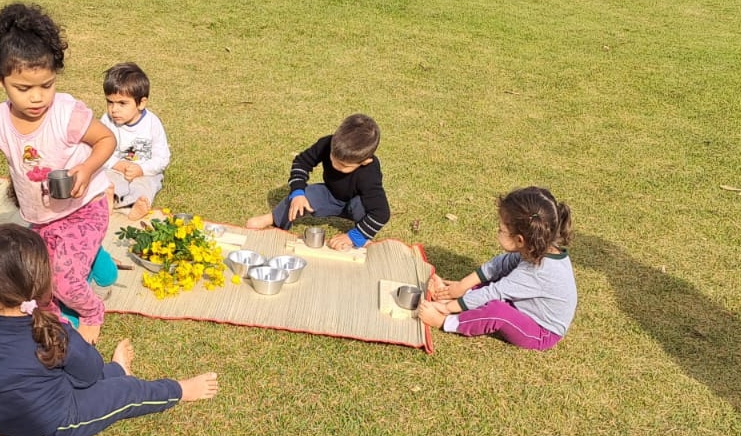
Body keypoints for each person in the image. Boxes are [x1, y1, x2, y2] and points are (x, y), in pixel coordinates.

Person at [0, 225, 218, 436]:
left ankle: (118, 370)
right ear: (42, 283)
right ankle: (179, 390)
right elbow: (89, 374)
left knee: (57, 374)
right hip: (53, 427)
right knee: (126, 392)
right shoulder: (53, 329)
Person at [0, 3, 120, 342]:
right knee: (33, 281)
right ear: (0, 80)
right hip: (42, 216)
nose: (37, 98)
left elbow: (106, 139)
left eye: (46, 85)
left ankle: (91, 310)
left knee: (61, 278)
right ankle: (88, 265)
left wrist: (87, 169)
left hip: (85, 207)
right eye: (24, 89)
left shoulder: (66, 114)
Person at [419, 186, 576, 350]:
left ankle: (447, 321)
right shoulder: (537, 246)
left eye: (501, 229)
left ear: (520, 240)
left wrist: (446, 309)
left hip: (540, 331)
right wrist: (462, 286)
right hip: (522, 305)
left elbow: (494, 292)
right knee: (497, 280)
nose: (497, 231)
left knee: (498, 311)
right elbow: (499, 265)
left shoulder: (538, 272)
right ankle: (452, 296)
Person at [243, 113, 388, 252]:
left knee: (362, 206)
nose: (336, 166)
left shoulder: (369, 173)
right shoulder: (327, 143)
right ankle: (273, 218)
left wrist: (353, 237)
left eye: (344, 166)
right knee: (306, 195)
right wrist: (298, 193)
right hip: (330, 194)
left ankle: (362, 236)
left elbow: (381, 213)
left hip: (357, 204)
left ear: (364, 161)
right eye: (333, 159)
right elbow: (302, 162)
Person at [100, 62, 171, 220]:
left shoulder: (152, 123)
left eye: (122, 103)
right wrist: (116, 164)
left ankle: (137, 205)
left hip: (145, 172)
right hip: (116, 169)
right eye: (110, 102)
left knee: (146, 185)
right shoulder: (107, 121)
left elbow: (162, 158)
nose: (114, 109)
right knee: (108, 179)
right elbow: (99, 150)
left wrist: (142, 169)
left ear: (141, 103)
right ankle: (110, 198)